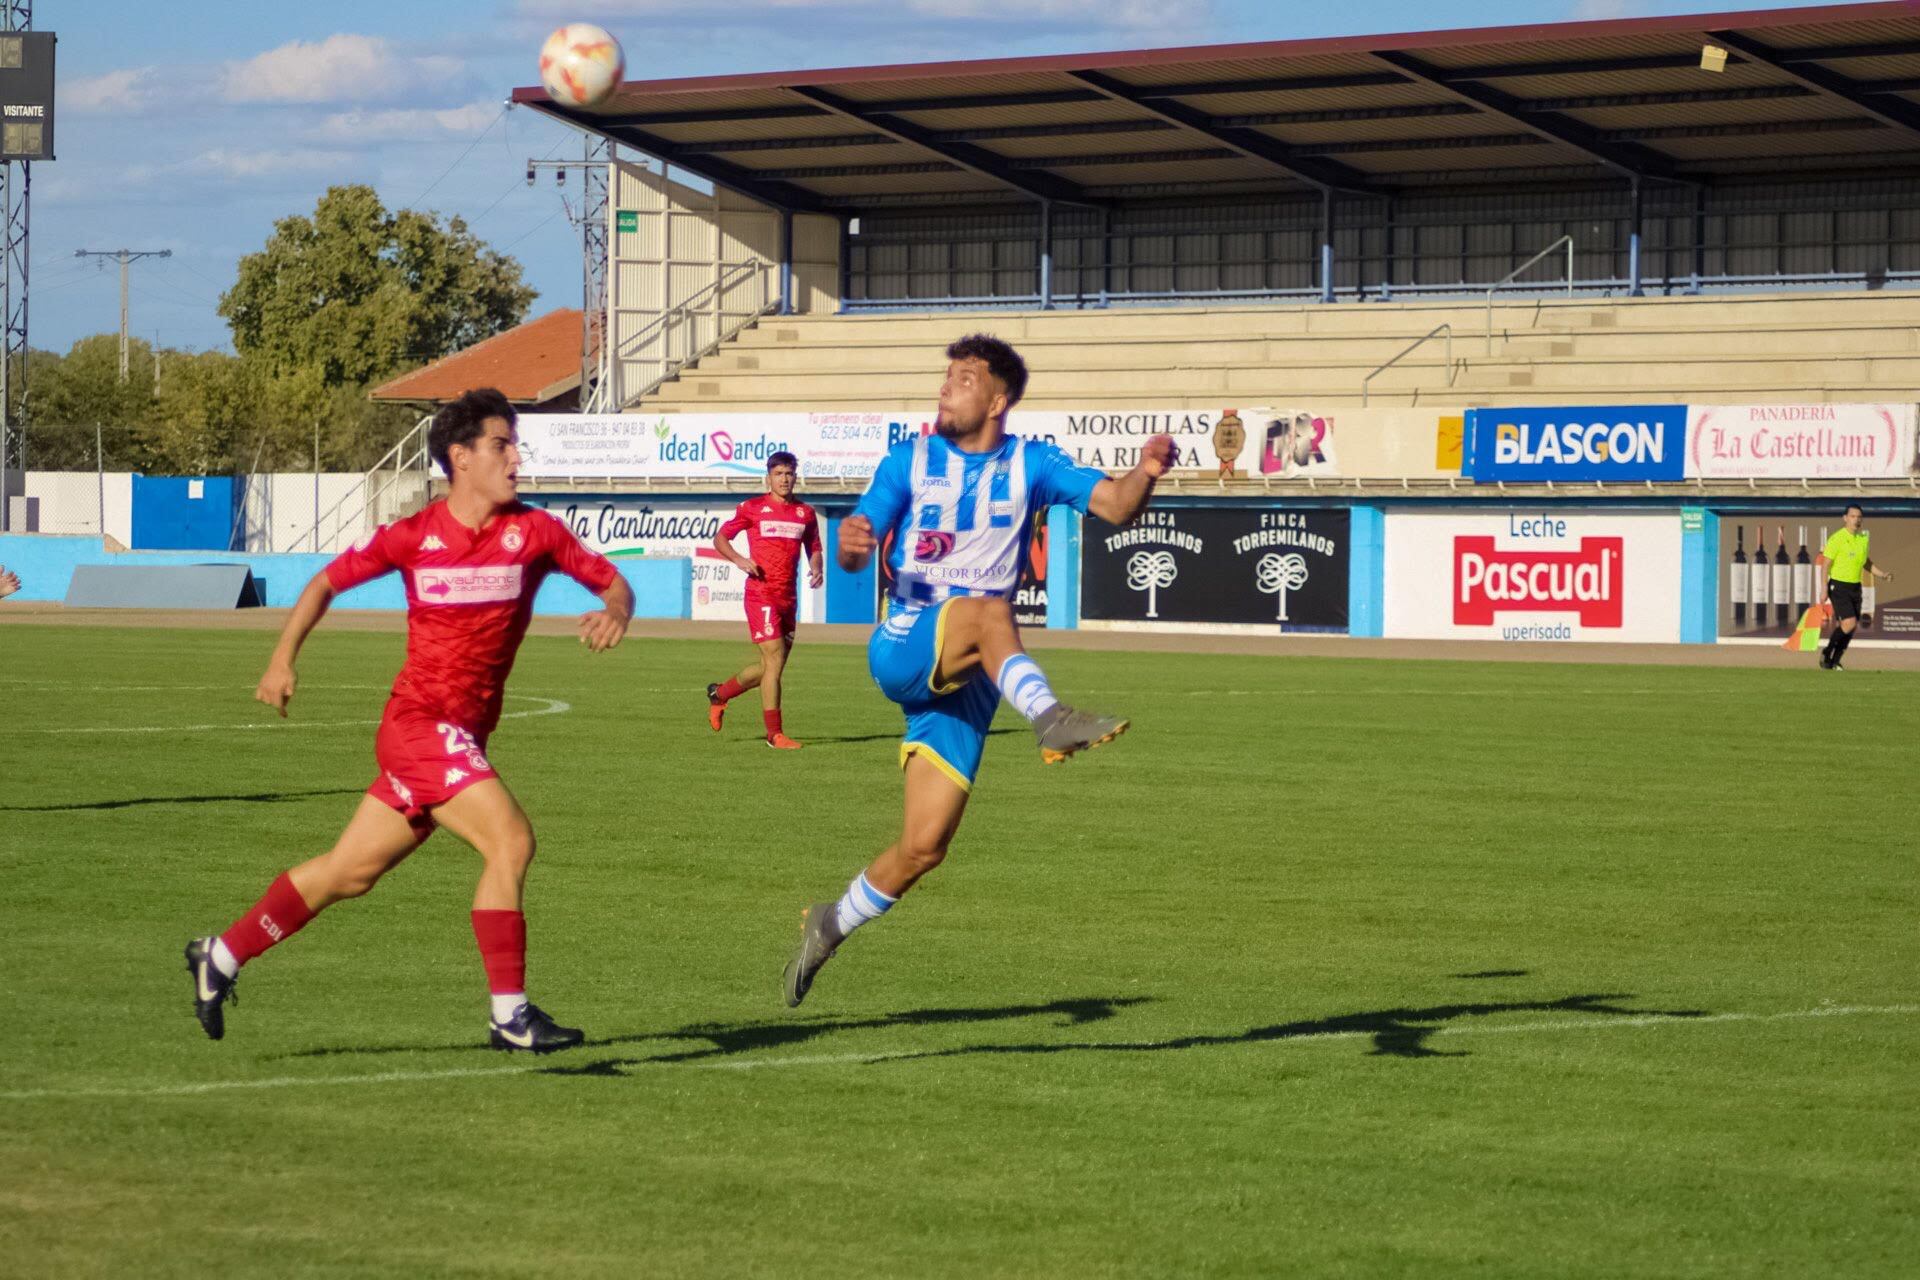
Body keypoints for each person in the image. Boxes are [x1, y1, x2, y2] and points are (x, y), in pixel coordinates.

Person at [182, 388, 634, 1054]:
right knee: (510, 842)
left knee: (348, 873)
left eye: (516, 444)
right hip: (420, 726)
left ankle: (219, 956)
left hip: (457, 738)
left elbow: (613, 582)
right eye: (501, 445)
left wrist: (617, 611)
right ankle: (510, 1015)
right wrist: (281, 661)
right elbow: (325, 583)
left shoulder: (536, 532)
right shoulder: (414, 537)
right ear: (461, 457)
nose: (516, 457)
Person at [781, 333, 1175, 1007]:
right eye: (946, 377)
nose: (945, 387)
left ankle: (830, 924)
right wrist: (850, 545)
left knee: (923, 848)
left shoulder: (1034, 463)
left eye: (963, 379)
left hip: (968, 678)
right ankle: (1050, 719)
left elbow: (1113, 506)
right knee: (990, 609)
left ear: (998, 400)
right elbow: (858, 543)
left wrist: (1146, 472)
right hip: (906, 640)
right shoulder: (909, 460)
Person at [705, 451, 823, 749]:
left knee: (771, 667)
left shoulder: (805, 514)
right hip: (761, 594)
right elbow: (720, 539)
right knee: (772, 660)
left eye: (789, 473)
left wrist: (817, 567)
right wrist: (739, 560)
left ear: (795, 476)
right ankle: (775, 734)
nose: (785, 479)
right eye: (779, 473)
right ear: (768, 478)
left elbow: (814, 546)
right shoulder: (753, 508)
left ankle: (720, 694)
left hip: (788, 598)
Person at [1816, 503, 1893, 671]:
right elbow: (1825, 565)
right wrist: (1823, 589)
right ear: (1845, 518)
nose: (1856, 520)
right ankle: (1827, 652)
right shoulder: (1836, 538)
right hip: (1838, 586)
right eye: (1852, 516)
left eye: (1859, 517)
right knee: (1849, 623)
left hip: (1855, 587)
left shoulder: (1862, 539)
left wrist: (1882, 574)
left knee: (1850, 628)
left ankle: (1834, 661)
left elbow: (1866, 563)